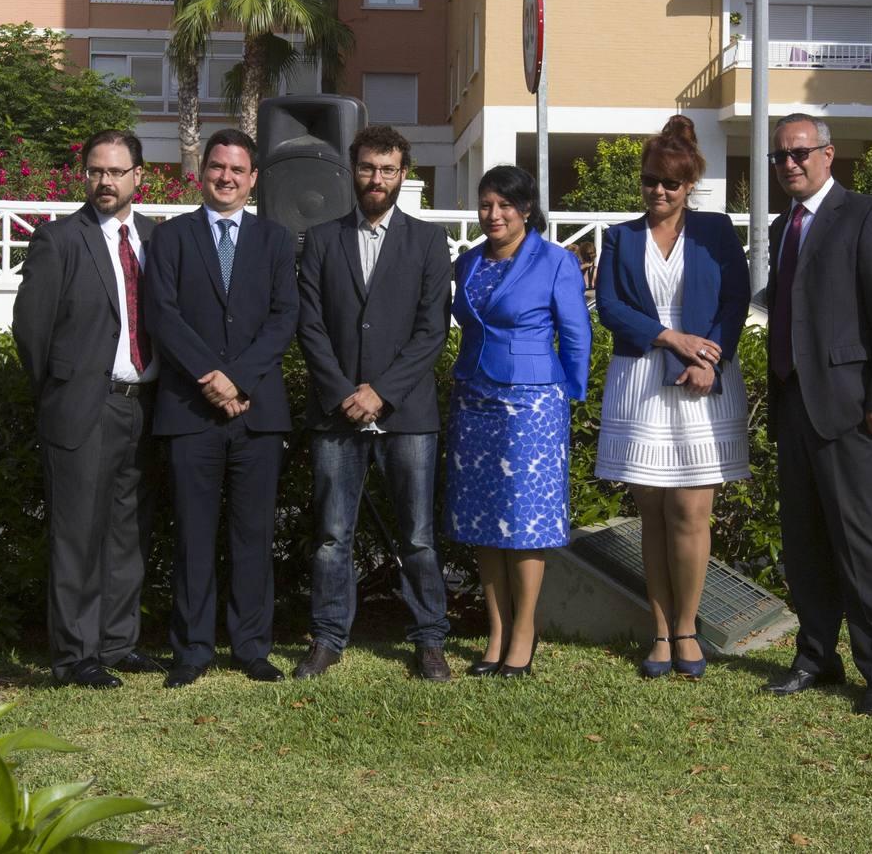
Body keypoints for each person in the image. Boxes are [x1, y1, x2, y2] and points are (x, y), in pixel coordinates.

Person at [763, 113, 872, 715]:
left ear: (829, 154)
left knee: (862, 541)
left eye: (801, 153)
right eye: (781, 157)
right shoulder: (783, 227)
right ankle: (817, 655)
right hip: (794, 404)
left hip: (850, 409)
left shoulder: (867, 216)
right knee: (804, 543)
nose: (791, 164)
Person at [593, 115, 751, 680]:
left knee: (691, 510)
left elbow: (736, 299)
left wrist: (708, 358)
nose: (658, 191)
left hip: (704, 382)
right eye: (650, 181)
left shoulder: (716, 230)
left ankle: (688, 628)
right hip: (640, 379)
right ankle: (659, 631)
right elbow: (609, 306)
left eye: (671, 183)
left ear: (690, 187)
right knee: (654, 512)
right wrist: (670, 337)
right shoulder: (620, 237)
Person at [294, 126, 454, 681]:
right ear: (352, 170)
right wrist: (345, 393)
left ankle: (429, 639)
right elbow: (310, 326)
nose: (377, 179)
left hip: (406, 414)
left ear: (404, 173)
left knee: (417, 535)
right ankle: (329, 637)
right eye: (367, 168)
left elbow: (432, 331)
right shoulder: (319, 240)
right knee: (333, 535)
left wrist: (381, 392)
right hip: (336, 414)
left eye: (387, 169)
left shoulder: (430, 243)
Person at [144, 128, 300, 689]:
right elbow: (162, 315)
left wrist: (237, 378)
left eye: (237, 169)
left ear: (253, 179)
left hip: (258, 414)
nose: (226, 178)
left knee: (254, 535)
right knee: (192, 533)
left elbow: (285, 319)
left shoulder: (277, 241)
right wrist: (213, 380)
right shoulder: (170, 238)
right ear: (202, 172)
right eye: (217, 167)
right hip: (190, 411)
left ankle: (252, 647)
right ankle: (192, 648)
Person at [12, 129, 165, 688]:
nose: (106, 181)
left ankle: (119, 643)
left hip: (143, 405)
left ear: (138, 178)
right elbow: (30, 330)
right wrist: (59, 391)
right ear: (86, 175)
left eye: (117, 172)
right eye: (97, 171)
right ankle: (76, 656)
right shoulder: (59, 240)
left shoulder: (154, 238)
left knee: (128, 531)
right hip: (83, 407)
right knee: (77, 535)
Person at [444, 165, 592, 678]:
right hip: (473, 398)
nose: (494, 214)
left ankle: (524, 634)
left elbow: (576, 334)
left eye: (506, 205)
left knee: (526, 522)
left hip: (533, 403)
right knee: (483, 519)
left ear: (526, 209)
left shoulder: (556, 261)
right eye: (486, 204)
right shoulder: (466, 264)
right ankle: (496, 632)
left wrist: (567, 394)